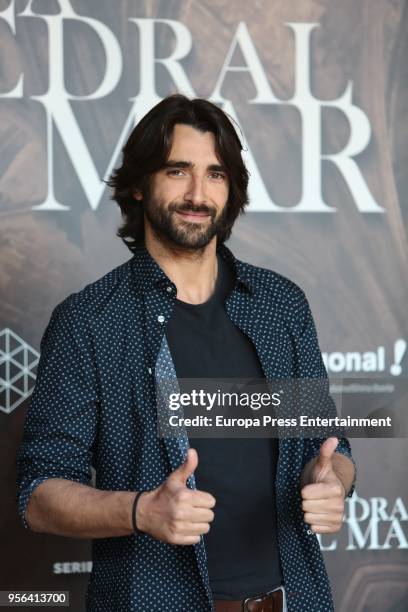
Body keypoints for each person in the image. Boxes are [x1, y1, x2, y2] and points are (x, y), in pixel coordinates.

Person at [16, 94, 356, 612]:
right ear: (138, 183)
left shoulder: (281, 305)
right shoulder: (89, 321)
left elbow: (330, 451)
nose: (198, 194)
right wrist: (141, 511)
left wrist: (330, 481)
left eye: (216, 174)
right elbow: (38, 495)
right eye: (178, 171)